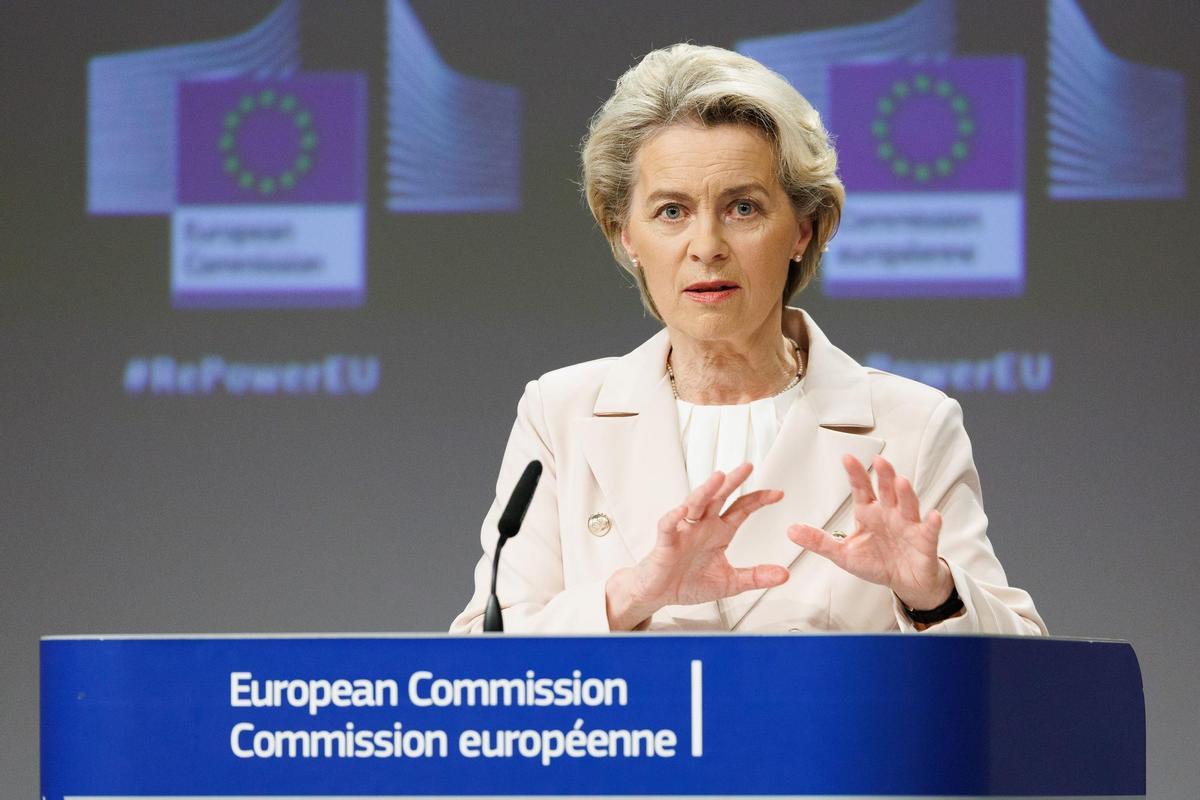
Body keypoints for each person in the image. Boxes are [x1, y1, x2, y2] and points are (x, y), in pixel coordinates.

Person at [451, 44, 1045, 635]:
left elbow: (1025, 670)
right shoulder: (560, 414)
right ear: (625, 234)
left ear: (802, 231)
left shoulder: (912, 426)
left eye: (742, 208)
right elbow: (484, 658)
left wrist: (932, 594)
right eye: (671, 212)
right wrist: (632, 594)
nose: (706, 245)